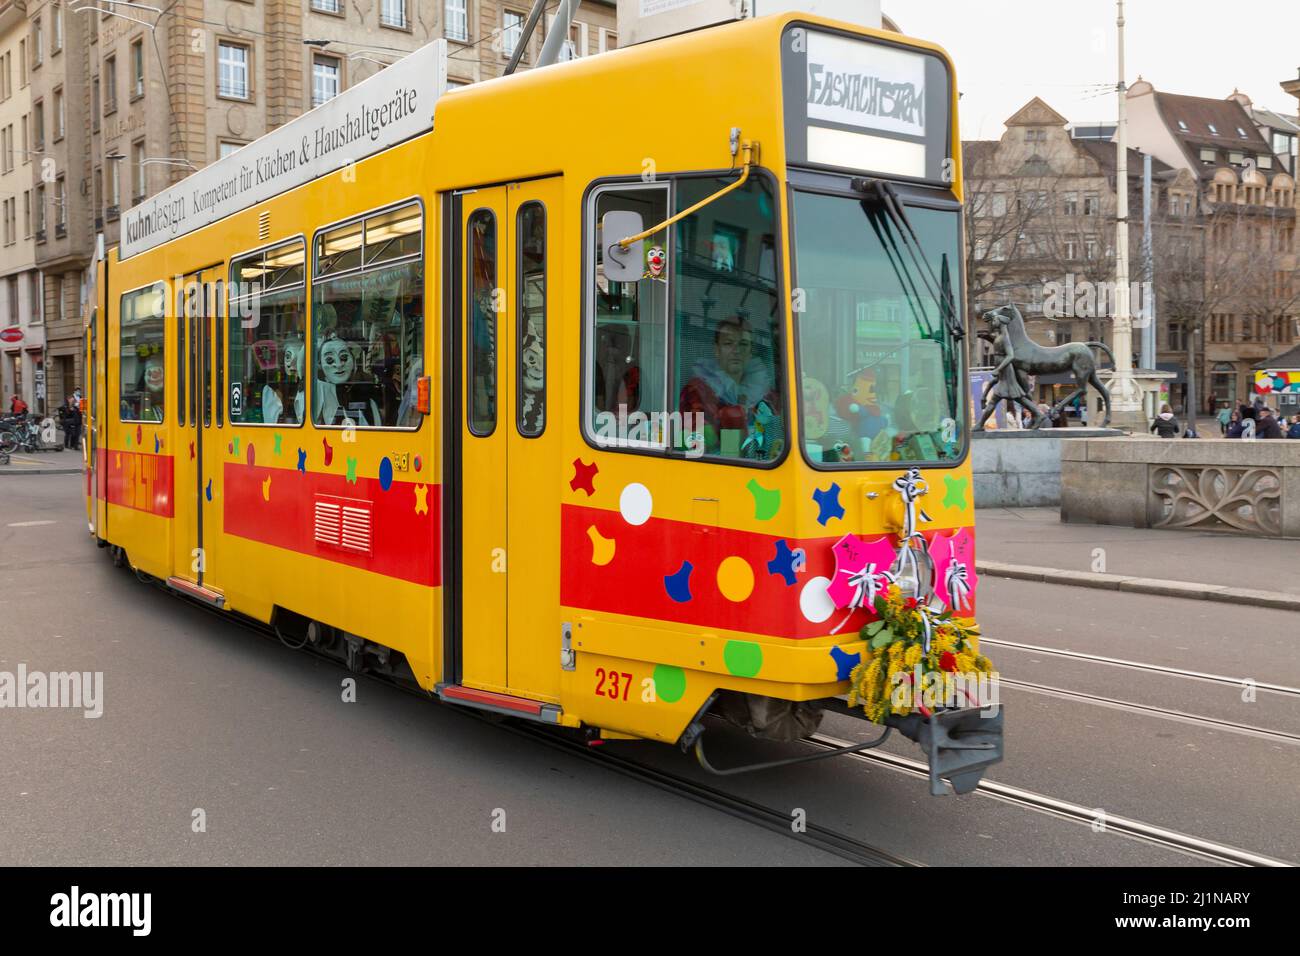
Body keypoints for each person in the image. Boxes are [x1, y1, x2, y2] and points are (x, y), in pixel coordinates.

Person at [679, 316, 778, 457]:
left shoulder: (767, 395)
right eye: (728, 343)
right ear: (716, 350)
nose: (736, 350)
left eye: (743, 344)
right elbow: (692, 444)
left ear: (750, 352)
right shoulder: (695, 392)